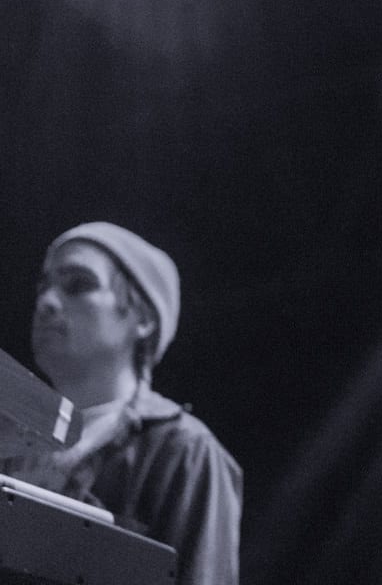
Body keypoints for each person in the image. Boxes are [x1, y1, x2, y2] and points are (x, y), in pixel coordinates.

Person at [3, 222, 242, 585]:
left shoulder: (185, 451)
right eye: (43, 286)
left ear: (143, 318)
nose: (46, 303)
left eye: (78, 284)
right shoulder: (11, 437)